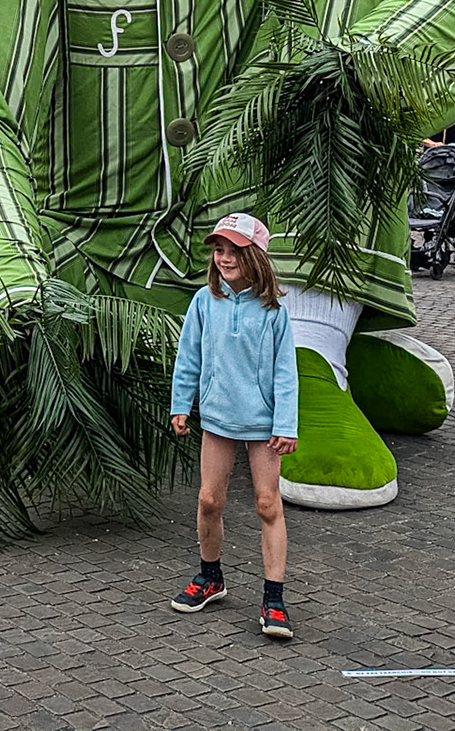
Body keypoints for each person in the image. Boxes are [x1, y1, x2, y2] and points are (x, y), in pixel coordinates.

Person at [169, 213, 300, 642]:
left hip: (264, 424)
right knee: (209, 500)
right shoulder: (204, 302)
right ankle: (211, 577)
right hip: (218, 419)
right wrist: (180, 405)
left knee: (267, 504)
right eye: (219, 250)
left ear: (255, 255)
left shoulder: (275, 310)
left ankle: (274, 599)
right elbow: (189, 357)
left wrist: (286, 423)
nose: (224, 259)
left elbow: (286, 372)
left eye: (234, 251)